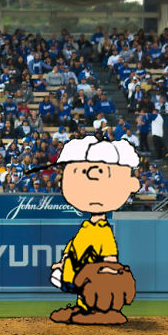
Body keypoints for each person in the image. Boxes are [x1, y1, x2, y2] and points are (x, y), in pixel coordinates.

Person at [47, 137, 141, 325]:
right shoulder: (86, 227)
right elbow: (72, 250)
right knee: (76, 278)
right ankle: (84, 308)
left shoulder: (103, 232)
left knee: (96, 279)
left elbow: (110, 258)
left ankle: (101, 311)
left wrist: (109, 271)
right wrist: (62, 263)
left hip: (91, 279)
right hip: (76, 274)